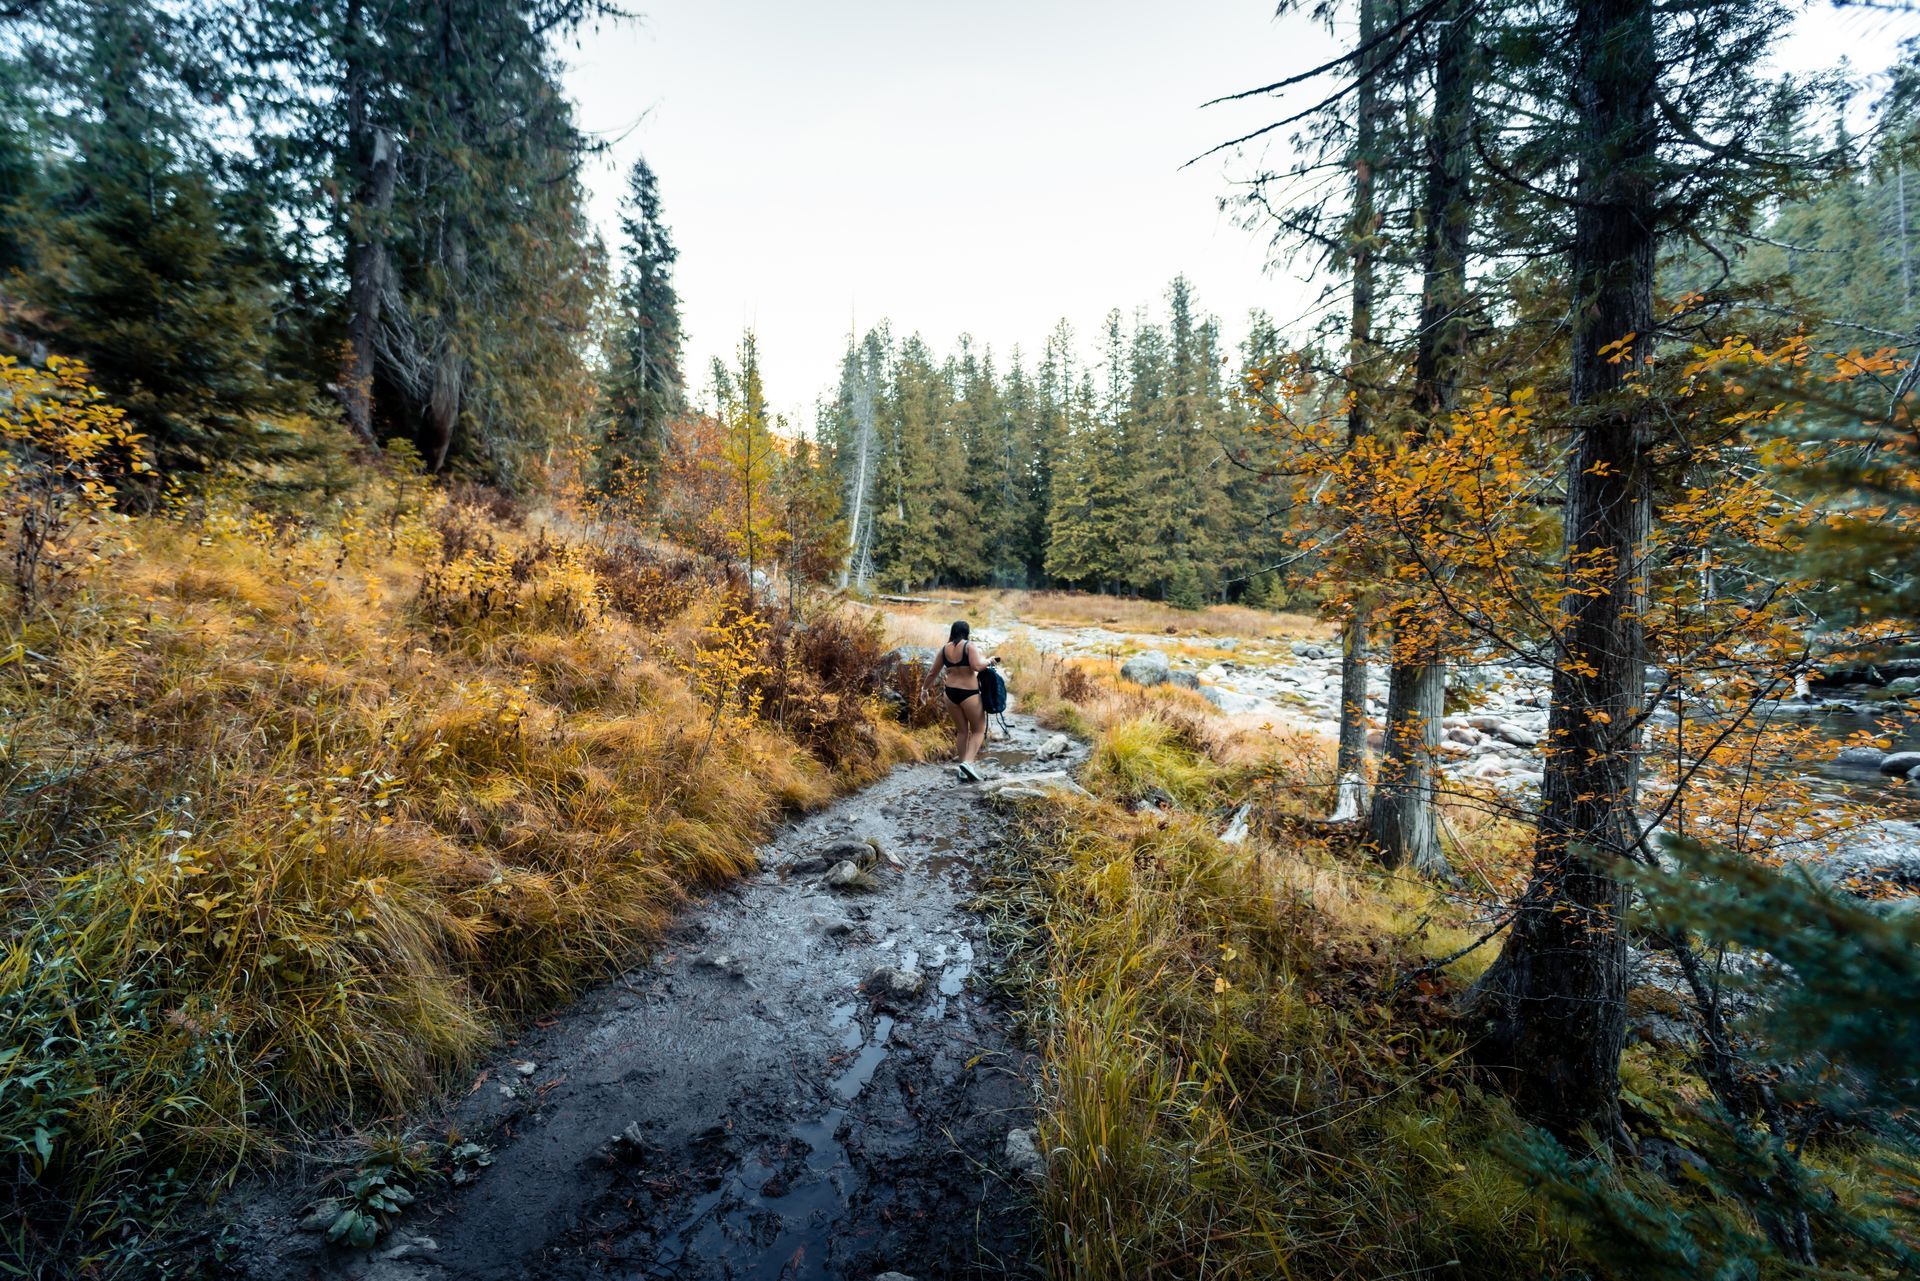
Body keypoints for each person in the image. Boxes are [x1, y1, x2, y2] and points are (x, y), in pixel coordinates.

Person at [925, 620, 995, 781]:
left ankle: (963, 768)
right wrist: (989, 661)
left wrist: (924, 689)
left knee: (962, 731)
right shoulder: (969, 646)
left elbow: (932, 672)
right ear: (966, 632)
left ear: (953, 631)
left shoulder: (944, 649)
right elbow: (977, 666)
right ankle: (968, 763)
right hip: (969, 693)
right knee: (978, 730)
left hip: (950, 694)